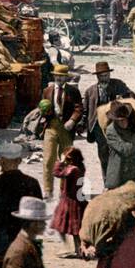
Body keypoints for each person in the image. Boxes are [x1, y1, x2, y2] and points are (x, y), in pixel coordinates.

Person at [82, 61, 135, 169]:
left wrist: (123, 101)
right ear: (97, 77)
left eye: (107, 75)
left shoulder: (118, 85)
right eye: (102, 76)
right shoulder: (90, 91)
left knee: (118, 153)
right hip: (98, 127)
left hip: (115, 125)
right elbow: (85, 110)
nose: (105, 78)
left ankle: (117, 179)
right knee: (103, 155)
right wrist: (81, 124)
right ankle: (107, 181)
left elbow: (131, 97)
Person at [43, 64, 83, 197]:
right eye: (57, 76)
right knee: (49, 158)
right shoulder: (47, 91)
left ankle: (63, 190)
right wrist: (44, 111)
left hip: (66, 128)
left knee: (67, 159)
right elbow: (43, 109)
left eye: (62, 77)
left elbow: (79, 109)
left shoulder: (73, 91)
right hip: (51, 127)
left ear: (66, 77)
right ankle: (48, 190)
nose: (59, 79)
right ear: (54, 76)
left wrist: (72, 120)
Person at [101, 100, 135, 190]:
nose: (123, 123)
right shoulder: (111, 131)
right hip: (119, 177)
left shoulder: (133, 126)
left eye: (124, 119)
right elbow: (125, 150)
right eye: (120, 121)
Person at [51, 147, 87, 258]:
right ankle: (76, 249)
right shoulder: (79, 167)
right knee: (73, 228)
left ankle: (76, 250)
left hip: (71, 202)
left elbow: (57, 173)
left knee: (72, 229)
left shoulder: (73, 170)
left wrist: (60, 162)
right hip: (72, 200)